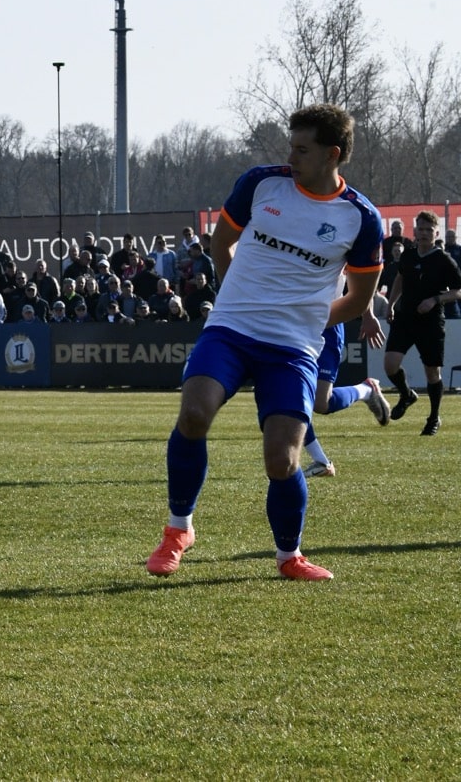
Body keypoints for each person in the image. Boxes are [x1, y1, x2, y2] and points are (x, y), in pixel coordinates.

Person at [145, 103, 383, 583]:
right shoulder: (261, 182)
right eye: (290, 146)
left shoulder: (361, 218)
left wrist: (307, 321)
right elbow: (221, 243)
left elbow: (359, 299)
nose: (290, 156)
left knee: (283, 458)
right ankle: (178, 530)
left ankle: (289, 556)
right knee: (193, 414)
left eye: (302, 149)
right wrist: (240, 297)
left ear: (332, 155)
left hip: (293, 347)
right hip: (231, 329)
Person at [382, 209, 461, 436]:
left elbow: (458, 291)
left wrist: (435, 299)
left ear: (436, 233)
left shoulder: (444, 260)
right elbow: (400, 278)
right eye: (421, 229)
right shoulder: (408, 254)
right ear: (415, 231)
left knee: (432, 373)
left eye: (429, 229)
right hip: (406, 317)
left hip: (431, 323)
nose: (424, 233)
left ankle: (434, 417)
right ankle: (406, 394)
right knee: (390, 365)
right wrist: (390, 304)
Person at [301, 317, 391, 477]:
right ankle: (321, 461)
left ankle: (366, 390)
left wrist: (368, 314)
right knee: (286, 392)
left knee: (321, 403)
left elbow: (361, 290)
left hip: (326, 324)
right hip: (293, 323)